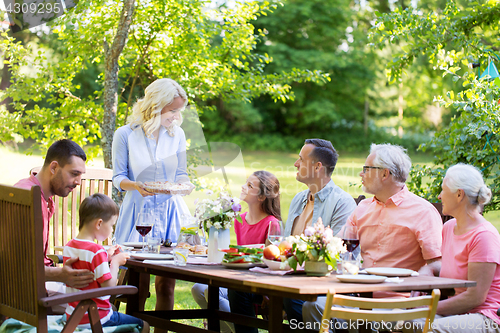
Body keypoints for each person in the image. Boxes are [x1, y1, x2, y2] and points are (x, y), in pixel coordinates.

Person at [302, 143, 443, 329]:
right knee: (313, 307)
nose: (361, 174)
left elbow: (437, 263)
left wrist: (426, 272)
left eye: (366, 169)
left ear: (385, 174)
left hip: (398, 304)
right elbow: (339, 247)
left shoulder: (423, 212)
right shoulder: (363, 208)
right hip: (358, 297)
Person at [112, 78, 193, 323]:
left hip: (170, 212)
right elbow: (118, 177)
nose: (177, 116)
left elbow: (181, 174)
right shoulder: (125, 134)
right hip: (138, 213)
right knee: (137, 286)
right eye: (173, 110)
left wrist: (185, 185)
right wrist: (135, 185)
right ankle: (133, 327)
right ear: (156, 106)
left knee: (166, 286)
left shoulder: (176, 134)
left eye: (180, 110)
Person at [409, 164, 500, 333]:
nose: (439, 196)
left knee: (427, 328)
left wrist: (427, 307)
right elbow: (453, 264)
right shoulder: (449, 227)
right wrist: (429, 269)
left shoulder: (484, 236)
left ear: (459, 194)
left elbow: (475, 297)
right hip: (457, 313)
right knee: (402, 321)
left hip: (484, 316)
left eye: (443, 190)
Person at [192, 171, 281, 333]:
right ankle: (229, 327)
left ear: (261, 197)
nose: (243, 187)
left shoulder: (272, 224)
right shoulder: (240, 220)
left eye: (250, 185)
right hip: (240, 281)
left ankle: (239, 328)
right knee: (198, 288)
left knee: (209, 292)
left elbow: (271, 263)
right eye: (245, 183)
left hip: (259, 286)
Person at [279, 138, 357, 325]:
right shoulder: (299, 199)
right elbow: (286, 245)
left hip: (320, 286)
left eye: (301, 159)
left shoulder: (342, 203)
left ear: (317, 167)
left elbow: (339, 257)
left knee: (289, 296)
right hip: (290, 278)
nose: (296, 164)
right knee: (240, 290)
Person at [14, 139, 94, 291]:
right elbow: (20, 263)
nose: (78, 182)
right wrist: (59, 274)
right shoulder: (29, 199)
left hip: (37, 284)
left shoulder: (30, 191)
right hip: (31, 293)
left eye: (80, 175)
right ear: (54, 167)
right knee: (101, 306)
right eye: (74, 174)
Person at [63, 193, 149, 332]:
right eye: (111, 225)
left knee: (114, 310)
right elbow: (108, 288)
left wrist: (105, 257)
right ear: (99, 223)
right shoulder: (96, 251)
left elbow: (88, 266)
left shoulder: (70, 246)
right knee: (144, 326)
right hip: (94, 317)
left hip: (73, 315)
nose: (111, 231)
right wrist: (115, 263)